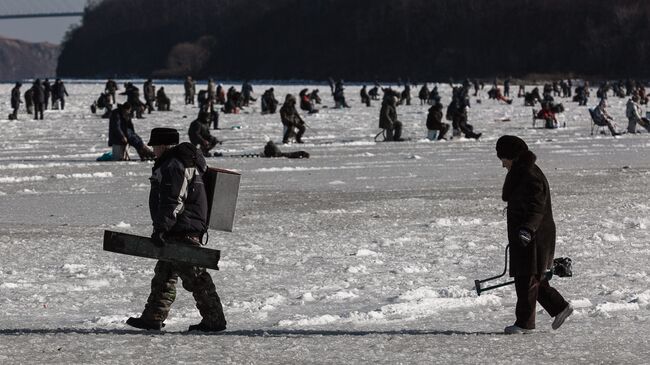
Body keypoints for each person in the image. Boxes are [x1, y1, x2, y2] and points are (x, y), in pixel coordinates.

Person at [126, 127, 227, 332]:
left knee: (195, 277)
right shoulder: (184, 161)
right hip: (181, 227)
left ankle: (214, 320)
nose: (153, 150)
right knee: (164, 274)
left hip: (182, 228)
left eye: (155, 146)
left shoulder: (175, 164)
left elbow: (174, 200)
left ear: (163, 146)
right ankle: (153, 316)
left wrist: (162, 228)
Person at [496, 135, 573, 335]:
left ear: (512, 156)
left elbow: (537, 207)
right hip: (528, 235)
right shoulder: (521, 173)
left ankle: (524, 324)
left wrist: (527, 229)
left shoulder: (530, 175)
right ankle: (560, 307)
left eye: (503, 158)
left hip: (535, 236)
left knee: (526, 280)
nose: (502, 164)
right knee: (532, 278)